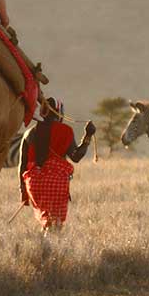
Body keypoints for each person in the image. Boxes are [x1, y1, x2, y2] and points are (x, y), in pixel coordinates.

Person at [19, 97, 94, 231]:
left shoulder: (29, 133)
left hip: (33, 184)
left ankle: (44, 247)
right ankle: (52, 250)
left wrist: (23, 191)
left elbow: (22, 166)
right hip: (56, 182)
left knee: (46, 222)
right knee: (55, 226)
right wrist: (88, 136)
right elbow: (76, 157)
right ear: (59, 113)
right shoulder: (65, 131)